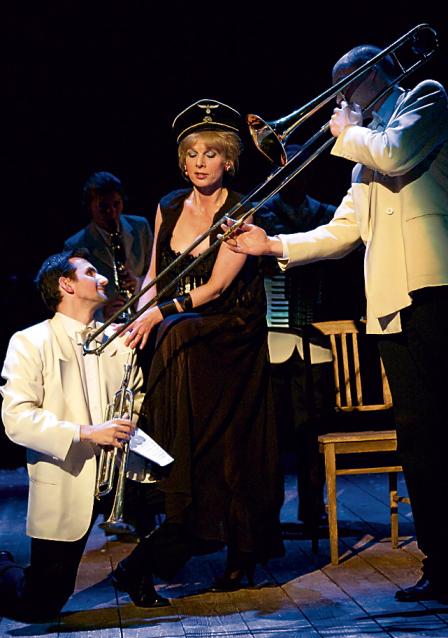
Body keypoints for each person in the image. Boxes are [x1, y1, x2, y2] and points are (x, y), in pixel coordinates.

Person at [222, 45, 448, 603]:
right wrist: (272, 245)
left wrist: (348, 131)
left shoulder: (426, 98)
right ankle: (442, 564)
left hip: (436, 287)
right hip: (391, 301)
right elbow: (342, 232)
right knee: (419, 436)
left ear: (373, 75)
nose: (338, 99)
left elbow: (398, 153)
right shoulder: (362, 156)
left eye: (343, 86)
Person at [108, 98, 284, 608]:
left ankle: (239, 549)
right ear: (182, 162)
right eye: (192, 154)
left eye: (211, 153)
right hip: (184, 328)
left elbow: (215, 288)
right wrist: (139, 314)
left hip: (230, 331)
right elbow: (154, 275)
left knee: (178, 339)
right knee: (158, 337)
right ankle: (165, 473)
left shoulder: (241, 209)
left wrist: (159, 315)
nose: (200, 162)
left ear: (228, 160)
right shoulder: (168, 205)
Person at [0, 248, 144, 622]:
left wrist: (128, 423)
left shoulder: (117, 339)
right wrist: (87, 432)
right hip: (67, 477)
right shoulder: (30, 341)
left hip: (116, 473)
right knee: (41, 603)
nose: (104, 279)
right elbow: (16, 418)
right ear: (66, 284)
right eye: (91, 273)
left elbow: (135, 394)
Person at [255, 143, 365, 531]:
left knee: (313, 428)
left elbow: (341, 266)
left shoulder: (326, 213)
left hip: (315, 335)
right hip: (272, 334)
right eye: (289, 169)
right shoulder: (262, 214)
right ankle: (266, 514)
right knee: (271, 432)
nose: (295, 177)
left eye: (302, 169)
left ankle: (312, 507)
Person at [64, 171, 153, 320]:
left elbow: (157, 271)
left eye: (116, 204)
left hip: (144, 313)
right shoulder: (75, 245)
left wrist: (138, 283)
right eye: (103, 207)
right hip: (108, 322)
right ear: (90, 207)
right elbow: (74, 298)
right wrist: (102, 314)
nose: (112, 212)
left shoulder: (141, 227)